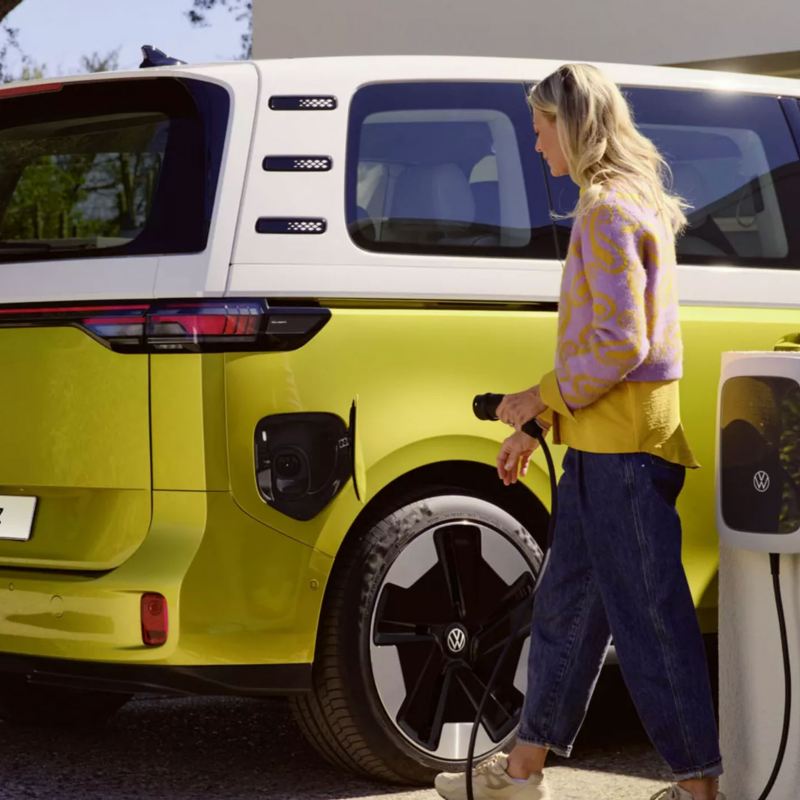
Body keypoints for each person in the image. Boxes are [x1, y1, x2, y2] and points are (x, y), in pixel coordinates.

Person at [434, 63, 724, 800]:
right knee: (564, 612)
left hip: (623, 458)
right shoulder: (631, 204)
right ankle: (524, 771)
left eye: (539, 129)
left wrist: (537, 397)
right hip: (606, 451)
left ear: (571, 124)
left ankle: (697, 790)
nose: (535, 146)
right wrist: (542, 422)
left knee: (652, 627)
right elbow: (605, 343)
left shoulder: (605, 212)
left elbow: (624, 343)